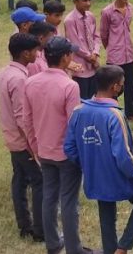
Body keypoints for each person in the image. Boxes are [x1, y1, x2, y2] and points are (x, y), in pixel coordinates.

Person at [64, 65, 133, 254]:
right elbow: (123, 154)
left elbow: (69, 147)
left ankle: (110, 249)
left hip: (95, 177)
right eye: (122, 84)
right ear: (114, 87)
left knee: (106, 214)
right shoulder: (114, 115)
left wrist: (87, 163)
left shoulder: (78, 111)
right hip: (118, 177)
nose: (122, 87)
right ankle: (122, 247)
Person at [21, 36, 93, 254]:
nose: (72, 55)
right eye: (70, 53)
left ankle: (53, 243)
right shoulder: (69, 86)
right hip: (66, 154)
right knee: (69, 202)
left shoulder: (31, 82)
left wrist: (35, 148)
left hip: (44, 150)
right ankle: (74, 248)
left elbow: (27, 120)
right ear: (64, 58)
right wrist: (79, 155)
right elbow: (74, 124)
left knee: (49, 197)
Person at [0, 33, 44, 243]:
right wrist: (33, 145)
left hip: (11, 137)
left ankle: (24, 225)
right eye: (35, 50)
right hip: (21, 140)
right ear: (26, 53)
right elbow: (21, 116)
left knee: (19, 179)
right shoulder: (19, 79)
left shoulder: (6, 72)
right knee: (39, 181)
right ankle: (39, 230)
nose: (38, 54)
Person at [101, 0, 133, 120]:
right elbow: (104, 34)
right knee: (114, 86)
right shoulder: (107, 12)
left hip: (129, 53)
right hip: (115, 55)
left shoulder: (130, 8)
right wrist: (111, 47)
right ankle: (113, 111)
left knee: (130, 86)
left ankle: (130, 114)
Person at [64, 0, 101, 99]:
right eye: (84, 0)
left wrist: (95, 52)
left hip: (93, 64)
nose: (88, 3)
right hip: (80, 67)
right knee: (83, 99)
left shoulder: (90, 16)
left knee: (94, 97)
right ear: (75, 1)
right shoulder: (70, 20)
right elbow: (74, 44)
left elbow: (96, 36)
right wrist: (89, 57)